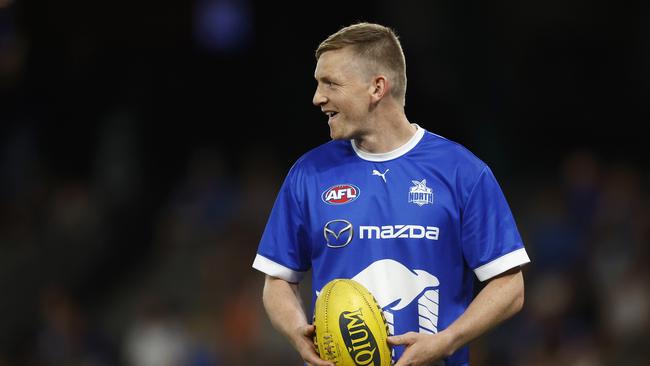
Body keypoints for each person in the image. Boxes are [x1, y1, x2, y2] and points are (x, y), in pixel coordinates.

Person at [252, 22, 530, 366]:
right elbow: (277, 279)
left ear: (377, 87)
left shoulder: (462, 171)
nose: (317, 97)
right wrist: (296, 330)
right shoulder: (309, 174)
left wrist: (445, 342)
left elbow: (510, 287)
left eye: (330, 83)